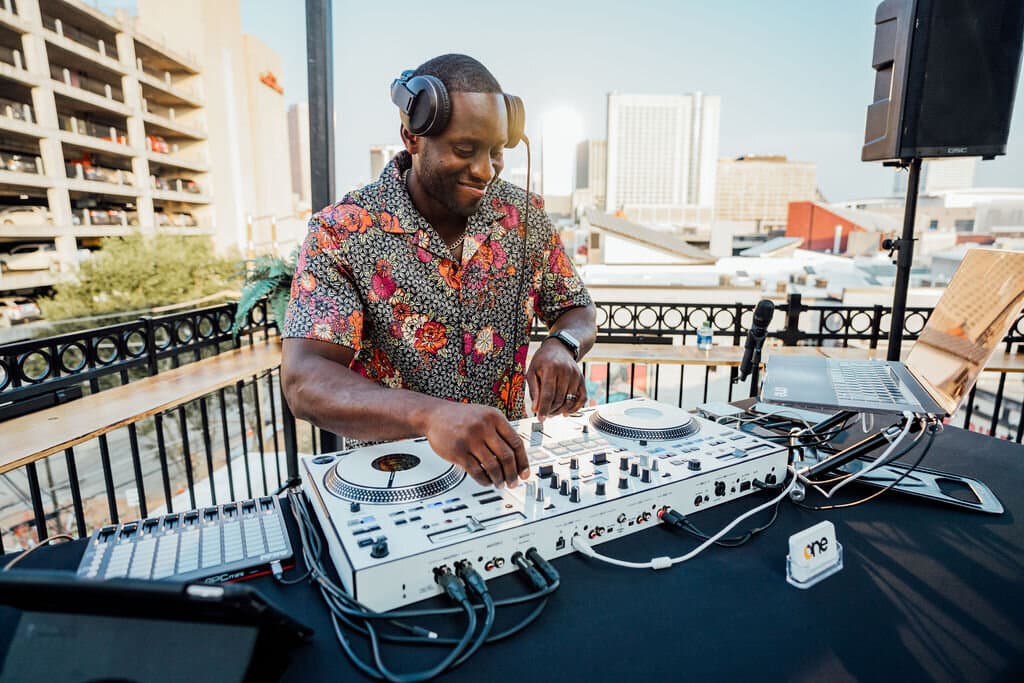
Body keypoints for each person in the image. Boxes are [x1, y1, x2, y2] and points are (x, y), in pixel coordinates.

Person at [281, 54, 596, 489]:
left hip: (503, 472)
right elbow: (303, 380)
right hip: (392, 482)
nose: (486, 170)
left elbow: (577, 308)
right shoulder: (342, 231)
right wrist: (430, 415)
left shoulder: (524, 215)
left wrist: (562, 344)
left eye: (496, 152)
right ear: (412, 137)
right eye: (465, 150)